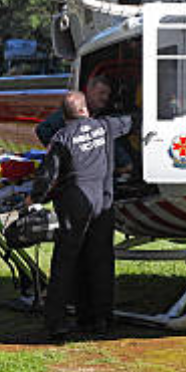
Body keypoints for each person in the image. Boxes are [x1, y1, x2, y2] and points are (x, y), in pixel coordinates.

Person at [34, 90, 133, 340]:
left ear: (64, 115)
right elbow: (132, 121)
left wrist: (33, 199)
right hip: (103, 201)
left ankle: (56, 322)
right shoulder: (105, 126)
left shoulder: (62, 138)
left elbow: (48, 175)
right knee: (101, 260)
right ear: (85, 110)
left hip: (75, 203)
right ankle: (101, 318)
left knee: (65, 262)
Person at [35, 73, 113, 147]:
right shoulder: (74, 110)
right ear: (90, 91)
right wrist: (60, 149)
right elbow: (42, 129)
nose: (105, 98)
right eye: (101, 93)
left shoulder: (105, 114)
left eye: (108, 94)